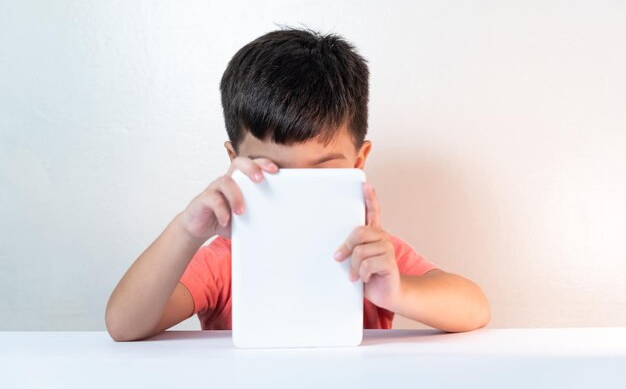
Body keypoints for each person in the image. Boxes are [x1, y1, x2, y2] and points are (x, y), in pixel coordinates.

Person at [105, 27, 490, 341]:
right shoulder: (226, 256)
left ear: (359, 163)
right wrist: (187, 230)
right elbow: (124, 325)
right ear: (234, 164)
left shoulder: (368, 252)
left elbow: (474, 308)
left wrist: (396, 292)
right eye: (272, 168)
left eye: (321, 170)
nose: (298, 189)